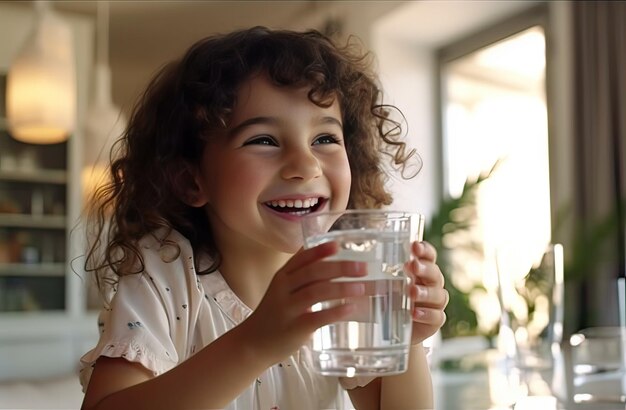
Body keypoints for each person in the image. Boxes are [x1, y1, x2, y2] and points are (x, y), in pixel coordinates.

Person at [79, 26, 448, 410]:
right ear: (191, 180)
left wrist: (406, 342)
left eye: (324, 139)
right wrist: (258, 340)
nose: (305, 166)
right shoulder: (166, 273)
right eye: (264, 140)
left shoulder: (343, 279)